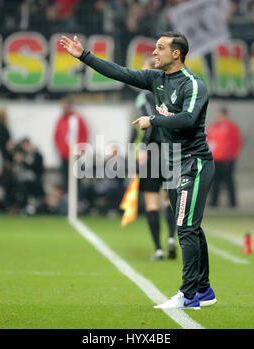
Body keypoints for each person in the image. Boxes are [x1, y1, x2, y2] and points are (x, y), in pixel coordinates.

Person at [60, 31, 217, 309]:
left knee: (185, 229)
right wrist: (84, 56)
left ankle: (188, 295)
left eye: (160, 48)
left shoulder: (193, 84)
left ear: (176, 53)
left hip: (194, 163)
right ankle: (204, 291)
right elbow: (120, 73)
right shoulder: (156, 79)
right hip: (171, 164)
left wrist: (153, 119)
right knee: (192, 228)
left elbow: (189, 119)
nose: (154, 52)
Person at [132, 57, 176, 261]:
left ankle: (158, 248)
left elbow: (150, 120)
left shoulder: (144, 95)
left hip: (153, 150)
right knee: (169, 199)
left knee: (151, 201)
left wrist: (143, 146)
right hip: (173, 150)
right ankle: (170, 238)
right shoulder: (173, 91)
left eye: (142, 70)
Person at [206, 107, 242, 208]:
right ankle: (214, 202)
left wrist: (233, 155)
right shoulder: (213, 127)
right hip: (215, 159)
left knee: (228, 181)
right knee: (215, 181)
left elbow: (237, 142)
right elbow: (208, 141)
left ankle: (232, 202)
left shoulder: (231, 127)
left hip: (227, 159)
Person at [54, 97, 88, 191]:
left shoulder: (77, 119)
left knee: (77, 179)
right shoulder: (61, 120)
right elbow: (57, 136)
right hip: (65, 156)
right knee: (66, 179)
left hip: (76, 156)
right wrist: (61, 149)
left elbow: (84, 134)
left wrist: (80, 149)